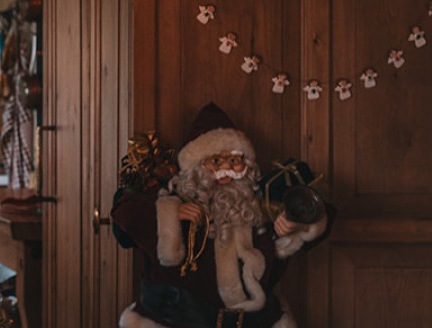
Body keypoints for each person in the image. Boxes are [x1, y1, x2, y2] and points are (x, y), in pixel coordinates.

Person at [112, 104, 330, 328]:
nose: (225, 168)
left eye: (235, 161)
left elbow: (320, 215)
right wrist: (170, 211)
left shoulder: (260, 206)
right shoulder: (170, 195)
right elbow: (124, 214)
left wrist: (295, 226)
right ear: (196, 166)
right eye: (216, 161)